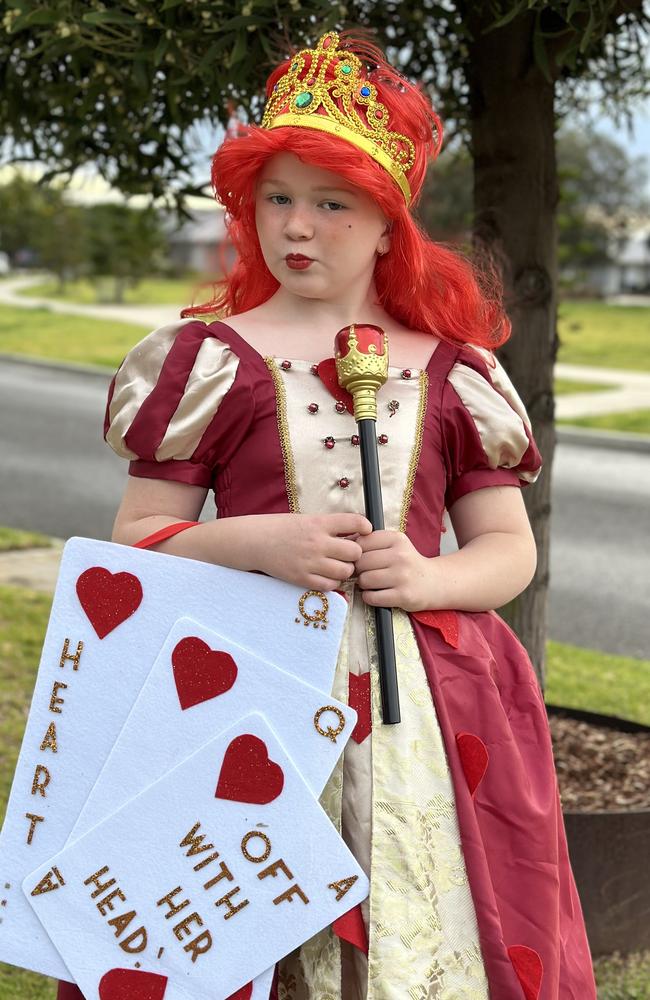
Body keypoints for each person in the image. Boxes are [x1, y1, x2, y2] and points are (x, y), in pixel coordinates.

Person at [59, 29, 596, 1000]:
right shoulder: (206, 363)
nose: (296, 228)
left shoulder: (453, 371)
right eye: (278, 199)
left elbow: (505, 549)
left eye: (330, 204)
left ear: (390, 224)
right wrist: (255, 542)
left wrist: (428, 577)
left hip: (430, 704)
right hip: (244, 695)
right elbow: (135, 543)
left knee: (430, 916)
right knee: (242, 918)